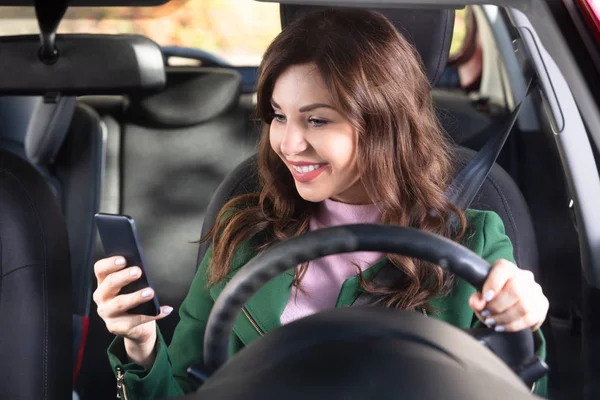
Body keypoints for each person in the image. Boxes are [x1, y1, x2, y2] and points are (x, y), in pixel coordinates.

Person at [93, 8, 549, 399]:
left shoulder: (473, 239)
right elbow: (185, 390)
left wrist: (516, 325)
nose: (288, 143)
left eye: (316, 120)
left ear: (382, 124)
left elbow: (510, 387)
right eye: (278, 115)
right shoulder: (244, 233)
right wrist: (141, 344)